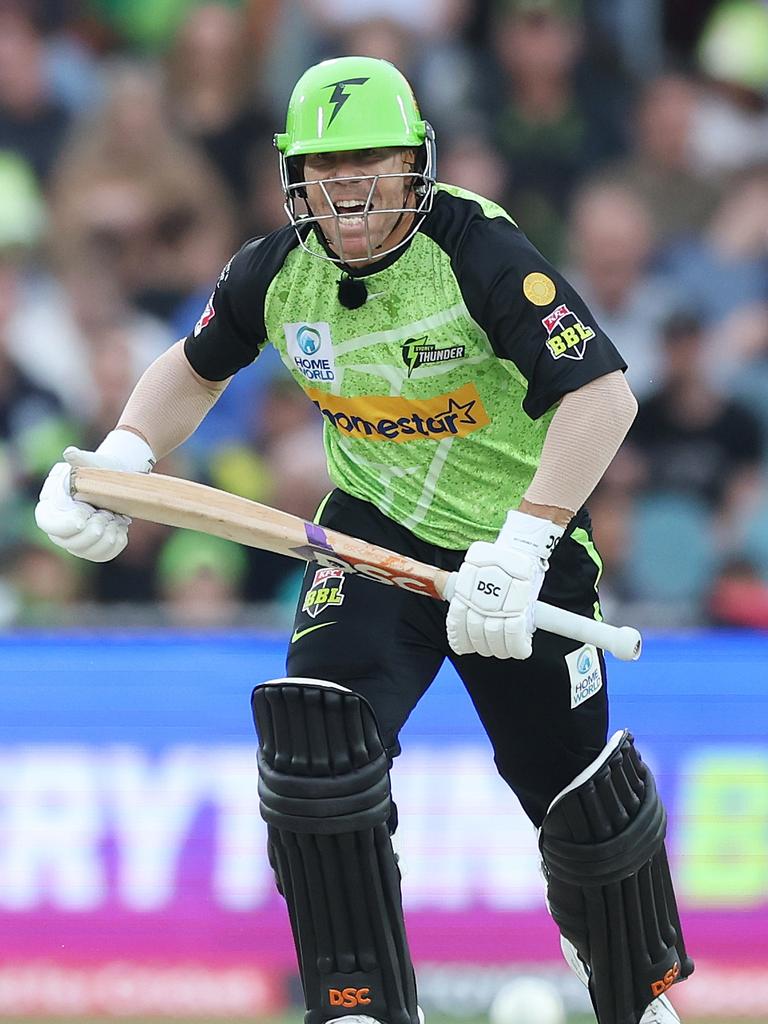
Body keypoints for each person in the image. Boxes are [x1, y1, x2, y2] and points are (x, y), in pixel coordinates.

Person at [34, 56, 692, 1024]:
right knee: (317, 748)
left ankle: (639, 999)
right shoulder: (274, 269)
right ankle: (360, 1005)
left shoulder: (478, 248)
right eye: (324, 166)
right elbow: (195, 364)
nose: (349, 187)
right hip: (371, 531)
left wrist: (522, 546)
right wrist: (120, 456)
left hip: (518, 539)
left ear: (417, 161)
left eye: (373, 160)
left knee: (574, 795)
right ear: (293, 177)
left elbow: (604, 394)